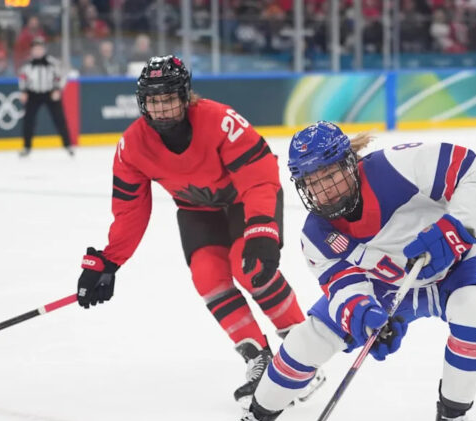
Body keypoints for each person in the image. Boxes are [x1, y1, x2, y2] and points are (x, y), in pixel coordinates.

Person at [209, 121, 476, 421]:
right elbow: (343, 287)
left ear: (350, 163)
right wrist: (364, 316)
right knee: (311, 337)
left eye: (328, 175)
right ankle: (259, 417)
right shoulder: (317, 235)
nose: (323, 189)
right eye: (311, 182)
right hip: (385, 288)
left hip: (456, 268)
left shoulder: (399, 166)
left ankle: (451, 418)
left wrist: (454, 227)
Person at [76, 55, 319, 403]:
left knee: (251, 270)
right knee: (207, 277)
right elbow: (130, 211)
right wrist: (109, 261)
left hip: (245, 202)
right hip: (196, 210)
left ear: (185, 95)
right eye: (153, 101)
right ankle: (258, 359)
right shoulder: (132, 146)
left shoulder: (219, 121)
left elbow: (260, 175)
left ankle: (303, 353)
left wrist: (262, 229)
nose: (160, 109)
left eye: (168, 99)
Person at [17, 36, 73, 157]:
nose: (37, 51)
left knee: (60, 120)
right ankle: (27, 147)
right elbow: (22, 78)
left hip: (50, 93)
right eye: (35, 49)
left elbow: (62, 77)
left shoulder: (53, 63)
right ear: (32, 50)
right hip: (33, 94)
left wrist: (57, 90)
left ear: (44, 49)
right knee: (28, 121)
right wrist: (23, 91)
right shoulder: (27, 65)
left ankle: (68, 145)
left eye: (40, 48)